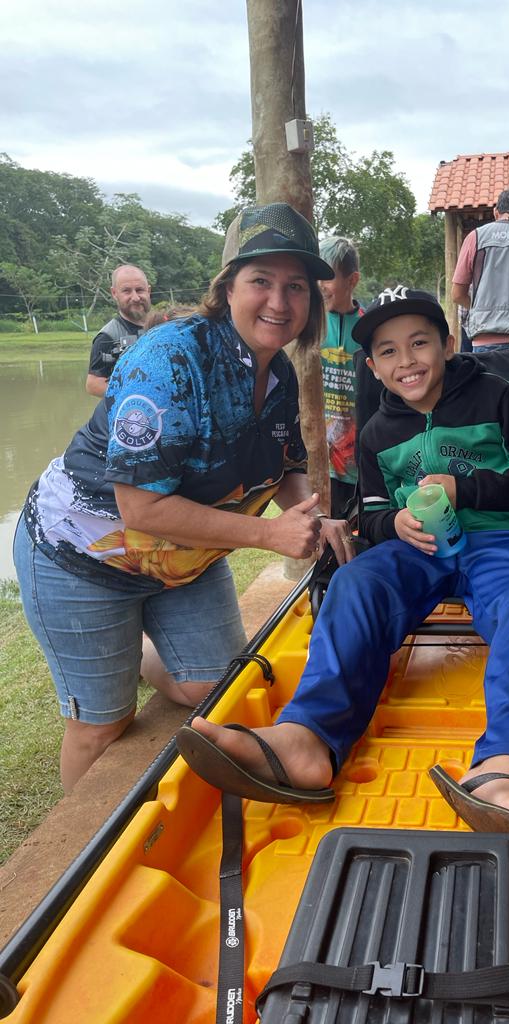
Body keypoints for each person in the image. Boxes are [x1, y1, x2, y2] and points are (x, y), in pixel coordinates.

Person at [177, 286, 509, 876]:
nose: (405, 361)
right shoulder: (379, 431)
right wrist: (397, 522)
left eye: (419, 343)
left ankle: (506, 767)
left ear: (448, 344)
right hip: (420, 549)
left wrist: (470, 490)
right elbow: (373, 514)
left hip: (498, 540)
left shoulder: (496, 396)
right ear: (371, 366)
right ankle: (308, 739)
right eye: (387, 352)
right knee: (356, 581)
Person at [13, 203, 352, 792]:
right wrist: (271, 535)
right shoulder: (170, 358)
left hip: (181, 561)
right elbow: (140, 508)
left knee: (212, 687)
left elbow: (287, 465)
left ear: (313, 301)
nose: (279, 301)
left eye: (295, 285)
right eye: (261, 282)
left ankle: (142, 649)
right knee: (103, 723)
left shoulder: (279, 372)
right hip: (82, 558)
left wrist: (315, 519)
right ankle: (81, 869)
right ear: (227, 288)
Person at [318, 237, 364, 518]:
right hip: (322, 458)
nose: (320, 285)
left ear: (352, 280)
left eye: (328, 277)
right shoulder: (309, 327)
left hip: (359, 457)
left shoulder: (369, 329)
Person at [451, 188, 509, 351]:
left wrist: (480, 308)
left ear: (495, 212)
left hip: (485, 339)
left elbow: (457, 294)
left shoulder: (476, 236)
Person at [85, 265, 152, 397]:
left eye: (140, 290)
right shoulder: (108, 336)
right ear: (114, 293)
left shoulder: (164, 326)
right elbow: (93, 384)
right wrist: (139, 394)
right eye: (127, 291)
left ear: (149, 291)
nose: (135, 297)